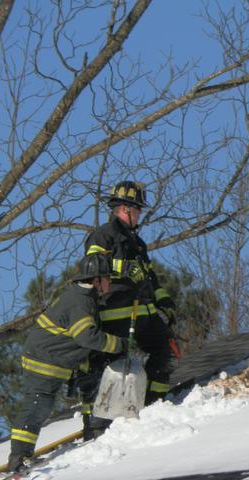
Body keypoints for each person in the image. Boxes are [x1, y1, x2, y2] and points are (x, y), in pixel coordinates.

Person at [8, 254, 126, 473]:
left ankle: (93, 429)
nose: (110, 282)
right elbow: (87, 337)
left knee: (72, 391)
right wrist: (119, 344)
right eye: (107, 278)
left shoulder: (84, 297)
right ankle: (18, 458)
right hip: (42, 360)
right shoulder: (80, 301)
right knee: (38, 404)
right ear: (96, 280)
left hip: (54, 359)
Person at [80, 180, 178, 439]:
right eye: (138, 210)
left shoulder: (138, 243)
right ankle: (96, 425)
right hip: (115, 314)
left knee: (164, 351)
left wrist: (164, 301)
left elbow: (149, 278)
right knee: (105, 366)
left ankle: (154, 404)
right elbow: (92, 265)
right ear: (125, 208)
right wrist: (123, 269)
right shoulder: (103, 235)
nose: (140, 215)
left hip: (142, 313)